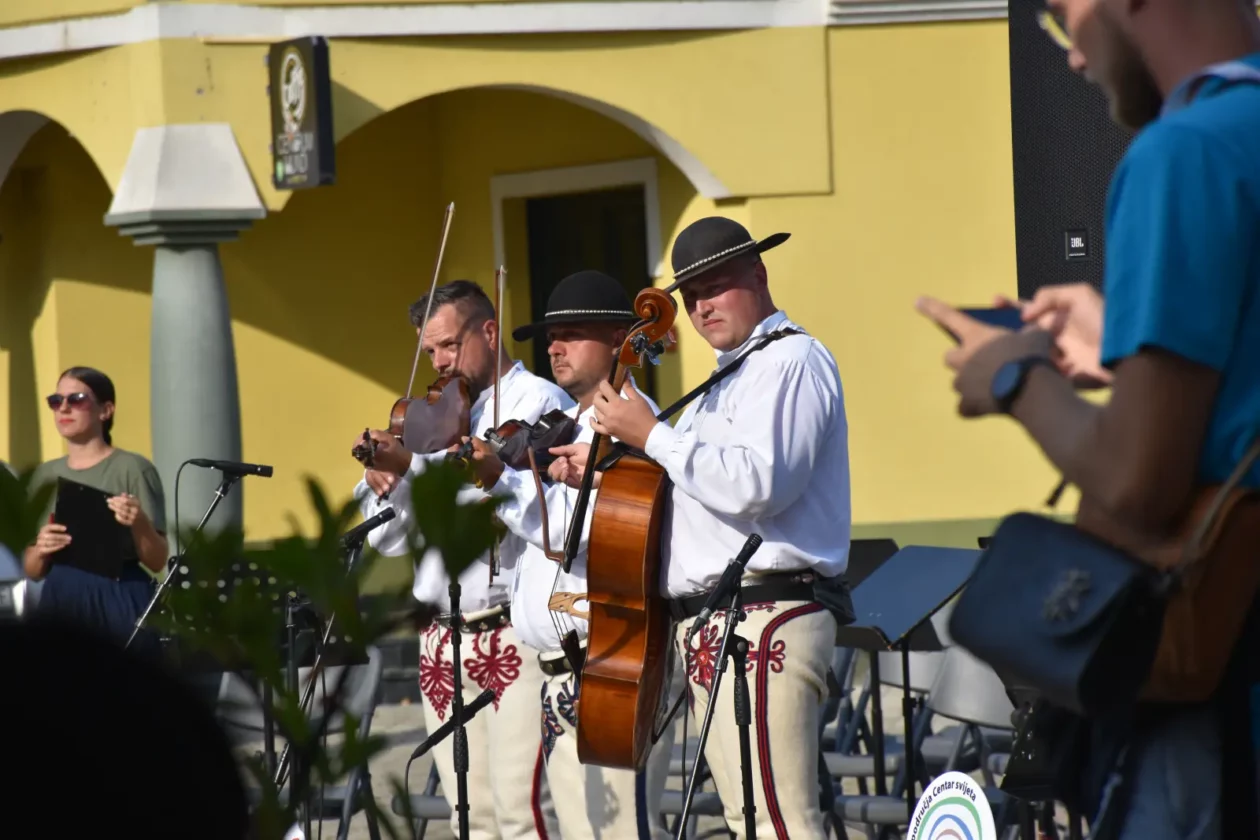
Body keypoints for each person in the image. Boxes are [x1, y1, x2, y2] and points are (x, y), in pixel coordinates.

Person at [916, 1, 1260, 837]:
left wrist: (1017, 378)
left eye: (1065, 15)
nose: (1071, 55)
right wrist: (1123, 353)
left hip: (1219, 681)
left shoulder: (1183, 154)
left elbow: (1141, 484)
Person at [556, 218, 853, 840]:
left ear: (759, 275)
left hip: (765, 612)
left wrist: (652, 436)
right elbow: (703, 490)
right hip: (722, 621)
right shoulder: (727, 379)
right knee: (751, 819)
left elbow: (760, 485)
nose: (701, 307)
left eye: (715, 287)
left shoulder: (791, 358)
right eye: (691, 296)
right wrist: (614, 467)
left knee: (781, 821)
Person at [353, 279, 570, 839]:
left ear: (489, 331)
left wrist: (413, 467)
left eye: (449, 345)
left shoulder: (539, 403)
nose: (440, 363)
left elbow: (494, 506)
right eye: (430, 351)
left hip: (508, 634)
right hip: (439, 638)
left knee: (521, 815)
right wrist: (389, 483)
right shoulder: (429, 419)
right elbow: (390, 542)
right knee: (467, 818)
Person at [464, 270, 676, 839]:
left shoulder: (631, 428)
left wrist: (497, 481)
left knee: (622, 833)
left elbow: (571, 532)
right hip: (566, 673)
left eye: (572, 334)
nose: (553, 347)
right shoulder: (578, 426)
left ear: (617, 341)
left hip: (609, 668)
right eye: (550, 336)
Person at [22, 366, 168, 654]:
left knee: (123, 691)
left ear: (105, 410)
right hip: (61, 595)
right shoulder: (44, 475)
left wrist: (138, 522)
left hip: (119, 594)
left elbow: (157, 560)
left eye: (76, 399)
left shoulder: (132, 468)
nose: (63, 408)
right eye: (55, 400)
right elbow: (32, 570)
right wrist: (41, 549)